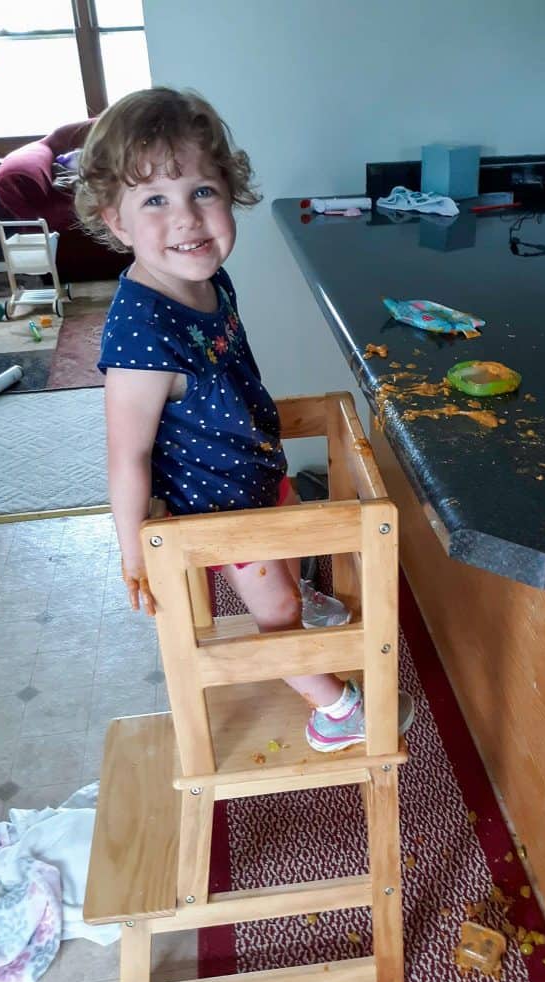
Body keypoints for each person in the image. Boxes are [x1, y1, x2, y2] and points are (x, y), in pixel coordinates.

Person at [75, 87, 414, 751]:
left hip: (249, 466)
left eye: (202, 191)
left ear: (230, 192)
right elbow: (126, 456)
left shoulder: (207, 279)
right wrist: (132, 550)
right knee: (277, 615)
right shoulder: (142, 332)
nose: (187, 220)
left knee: (288, 543)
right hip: (215, 509)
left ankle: (295, 596)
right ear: (116, 221)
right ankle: (335, 710)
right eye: (154, 201)